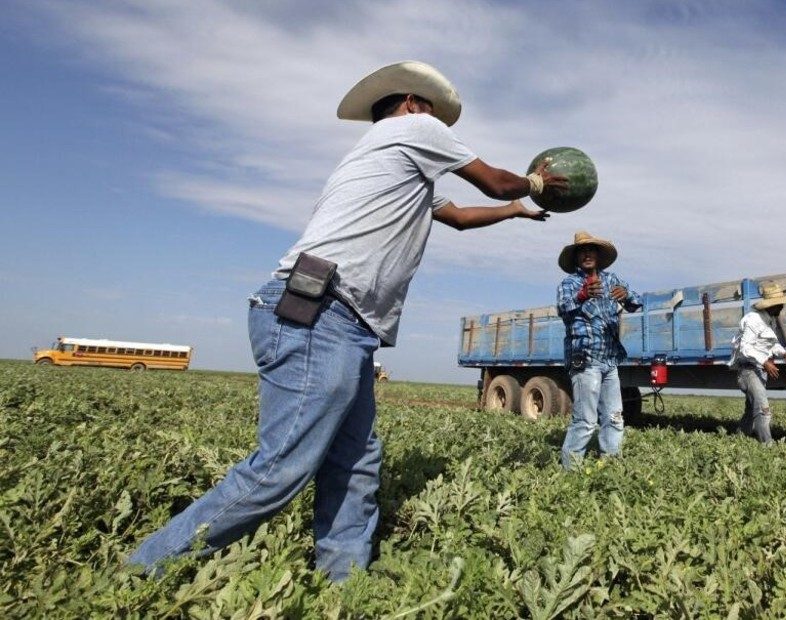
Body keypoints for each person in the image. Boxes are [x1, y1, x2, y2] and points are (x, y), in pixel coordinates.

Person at [129, 60, 566, 581]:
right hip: (320, 313)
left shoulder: (394, 167)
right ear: (412, 105)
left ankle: (344, 584)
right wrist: (537, 182)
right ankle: (139, 572)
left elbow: (462, 216)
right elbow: (493, 181)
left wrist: (516, 210)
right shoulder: (414, 132)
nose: (442, 127)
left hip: (339, 321)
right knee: (278, 470)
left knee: (356, 461)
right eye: (434, 114)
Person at [557, 231, 642, 470]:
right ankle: (570, 472)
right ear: (576, 258)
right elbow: (563, 308)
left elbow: (636, 301)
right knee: (585, 420)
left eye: (591, 250)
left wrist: (627, 295)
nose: (587, 254)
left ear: (598, 255)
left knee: (614, 417)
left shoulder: (612, 279)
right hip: (585, 358)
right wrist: (582, 295)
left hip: (610, 359)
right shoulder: (570, 284)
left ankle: (610, 465)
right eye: (581, 251)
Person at [728, 282, 786, 444]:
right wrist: (765, 362)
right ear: (771, 305)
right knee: (763, 409)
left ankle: (739, 438)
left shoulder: (769, 320)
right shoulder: (753, 320)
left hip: (759, 371)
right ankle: (767, 445)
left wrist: (784, 353)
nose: (782, 307)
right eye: (779, 304)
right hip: (749, 371)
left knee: (751, 409)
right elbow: (745, 348)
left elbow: (771, 344)